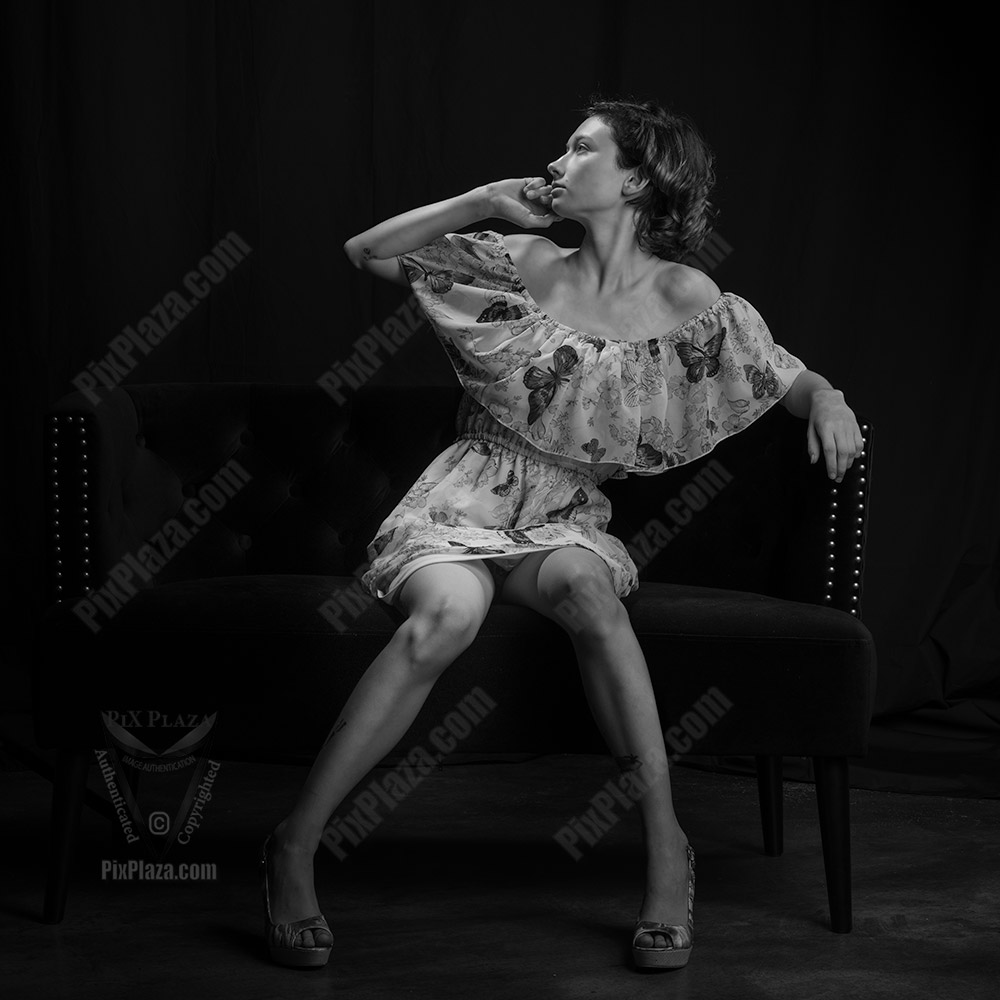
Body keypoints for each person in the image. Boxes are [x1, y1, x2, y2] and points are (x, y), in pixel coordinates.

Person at [260, 97, 864, 971]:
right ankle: (293, 844)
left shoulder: (685, 295)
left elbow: (781, 374)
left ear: (637, 177)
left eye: (582, 148)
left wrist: (833, 398)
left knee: (588, 592)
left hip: (564, 517)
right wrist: (481, 200)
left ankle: (666, 850)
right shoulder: (524, 258)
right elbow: (369, 251)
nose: (558, 160)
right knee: (444, 622)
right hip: (466, 496)